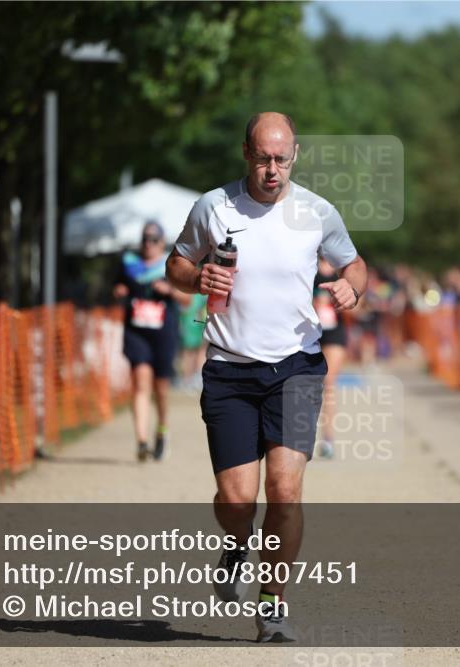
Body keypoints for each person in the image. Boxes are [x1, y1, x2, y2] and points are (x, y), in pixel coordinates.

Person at [166, 112, 368, 642]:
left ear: (295, 154)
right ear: (245, 153)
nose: (271, 169)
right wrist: (197, 275)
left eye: (281, 158)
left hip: (296, 368)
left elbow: (355, 264)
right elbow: (176, 265)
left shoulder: (316, 211)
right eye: (262, 158)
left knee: (285, 491)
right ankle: (235, 544)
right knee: (237, 502)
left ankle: (273, 601)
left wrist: (352, 288)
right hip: (230, 369)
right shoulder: (213, 206)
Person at [114, 222, 191, 461]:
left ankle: (162, 429)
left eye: (154, 239)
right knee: (140, 384)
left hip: (163, 334)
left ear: (162, 242)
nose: (148, 243)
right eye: (145, 238)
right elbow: (117, 287)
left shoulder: (171, 266)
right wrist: (119, 292)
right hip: (136, 333)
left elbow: (187, 301)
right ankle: (141, 441)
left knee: (160, 390)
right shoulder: (128, 265)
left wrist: (169, 291)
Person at [313, 257, 349, 459]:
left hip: (335, 332)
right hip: (309, 331)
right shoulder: (307, 269)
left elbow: (357, 305)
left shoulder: (342, 274)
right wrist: (314, 303)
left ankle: (328, 439)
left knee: (329, 384)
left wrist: (340, 302)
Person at [178, 292, 208, 392]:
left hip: (201, 319)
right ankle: (187, 379)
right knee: (189, 351)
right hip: (190, 319)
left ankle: (197, 376)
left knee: (201, 348)